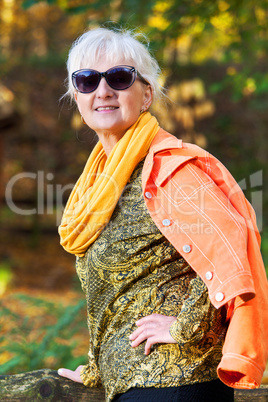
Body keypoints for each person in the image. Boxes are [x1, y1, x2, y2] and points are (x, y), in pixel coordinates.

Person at [57, 27, 268, 402]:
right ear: (77, 95)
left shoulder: (169, 167)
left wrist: (185, 327)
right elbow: (114, 291)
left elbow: (230, 246)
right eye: (87, 80)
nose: (102, 91)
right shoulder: (103, 180)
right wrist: (97, 366)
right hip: (133, 383)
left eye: (119, 78)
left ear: (146, 94)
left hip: (174, 383)